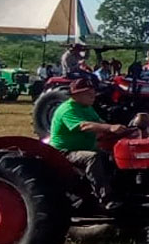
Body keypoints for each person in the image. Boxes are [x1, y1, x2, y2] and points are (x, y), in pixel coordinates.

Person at [48, 79, 127, 210]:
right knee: (92, 158)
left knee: (113, 157)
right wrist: (110, 128)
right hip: (65, 152)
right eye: (88, 93)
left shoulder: (87, 108)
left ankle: (122, 191)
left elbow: (99, 123)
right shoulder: (68, 110)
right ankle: (105, 198)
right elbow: (84, 126)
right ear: (76, 95)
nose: (93, 95)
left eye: (93, 92)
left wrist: (122, 130)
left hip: (84, 148)